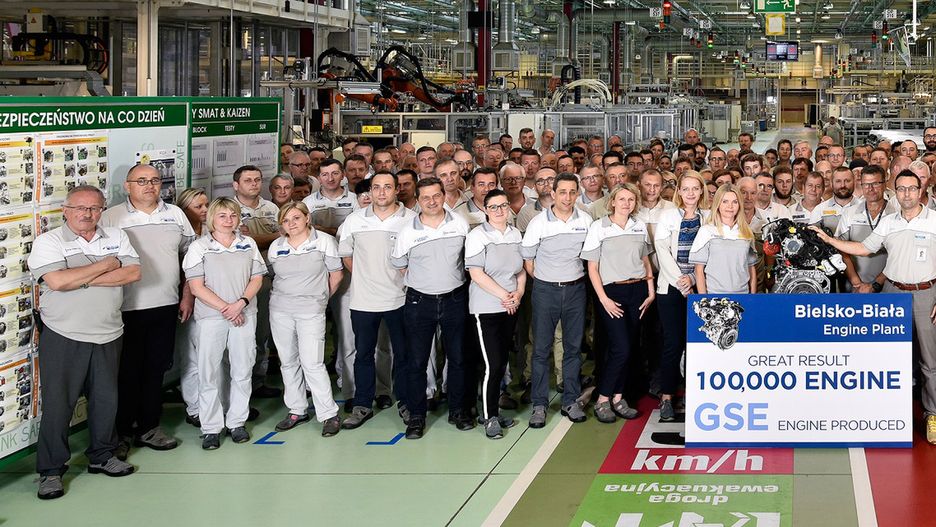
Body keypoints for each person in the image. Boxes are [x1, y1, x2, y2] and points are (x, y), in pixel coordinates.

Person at [28, 185, 141, 499]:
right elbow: (57, 281)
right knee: (58, 405)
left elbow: (132, 273)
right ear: (65, 210)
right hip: (64, 334)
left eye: (94, 208)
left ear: (102, 210)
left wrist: (80, 277)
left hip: (109, 332)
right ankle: (51, 471)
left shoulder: (116, 236)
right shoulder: (49, 242)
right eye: (79, 207)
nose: (86, 214)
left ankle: (102, 455)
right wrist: (105, 265)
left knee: (106, 400)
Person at [811, 170, 936, 444]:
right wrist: (829, 240)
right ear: (895, 191)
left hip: (926, 294)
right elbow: (864, 248)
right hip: (892, 293)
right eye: (901, 189)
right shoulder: (889, 223)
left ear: (920, 190)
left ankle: (932, 414)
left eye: (911, 188)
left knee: (929, 361)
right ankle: (888, 412)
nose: (906, 194)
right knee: (889, 356)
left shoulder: (934, 220)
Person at [100, 164, 195, 460]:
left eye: (154, 180)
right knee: (126, 373)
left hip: (166, 305)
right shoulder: (111, 217)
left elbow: (190, 257)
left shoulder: (175, 214)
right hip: (125, 308)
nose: (149, 185)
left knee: (156, 370)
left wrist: (187, 295)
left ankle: (149, 428)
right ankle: (121, 434)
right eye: (141, 181)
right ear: (127, 186)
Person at [182, 197, 267, 450]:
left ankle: (237, 422)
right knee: (209, 372)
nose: (229, 220)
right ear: (212, 219)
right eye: (222, 215)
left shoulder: (248, 243)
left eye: (233, 215)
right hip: (211, 318)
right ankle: (211, 428)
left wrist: (240, 304)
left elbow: (256, 279)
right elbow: (196, 287)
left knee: (242, 369)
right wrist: (226, 309)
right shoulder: (199, 247)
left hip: (244, 314)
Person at [391, 177, 472, 439]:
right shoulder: (407, 232)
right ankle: (417, 416)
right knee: (417, 361)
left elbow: (467, 259)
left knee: (458, 358)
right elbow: (401, 265)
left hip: (455, 299)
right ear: (418, 199)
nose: (432, 201)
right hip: (419, 302)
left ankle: (458, 411)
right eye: (425, 197)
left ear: (443, 195)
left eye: (436, 195)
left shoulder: (460, 224)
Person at [339, 173, 417, 429]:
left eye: (387, 187)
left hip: (400, 298)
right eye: (376, 188)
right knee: (363, 354)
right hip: (363, 301)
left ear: (396, 190)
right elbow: (347, 255)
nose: (381, 192)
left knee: (403, 354)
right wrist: (366, 277)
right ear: (370, 191)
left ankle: (406, 402)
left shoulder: (411, 219)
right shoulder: (354, 220)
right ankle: (362, 404)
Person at [522, 173, 593, 427]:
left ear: (577, 193)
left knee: (573, 348)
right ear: (553, 194)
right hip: (545, 290)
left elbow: (589, 256)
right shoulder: (538, 223)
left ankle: (570, 400)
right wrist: (548, 280)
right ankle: (539, 404)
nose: (567, 197)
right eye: (562, 192)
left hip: (576, 290)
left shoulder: (585, 220)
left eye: (572, 192)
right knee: (541, 349)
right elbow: (528, 261)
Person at [267, 202, 342, 437]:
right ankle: (297, 410)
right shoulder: (276, 246)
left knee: (313, 363)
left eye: (296, 218)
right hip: (280, 310)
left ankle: (328, 414)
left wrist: (321, 299)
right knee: (288, 362)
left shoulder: (324, 242)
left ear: (307, 218)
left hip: (311, 310)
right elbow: (273, 276)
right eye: (286, 220)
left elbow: (336, 274)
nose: (291, 224)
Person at [582, 183, 653, 424]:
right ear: (612, 201)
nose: (626, 203)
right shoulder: (599, 227)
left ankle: (619, 398)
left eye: (630, 199)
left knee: (630, 347)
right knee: (620, 347)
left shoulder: (639, 225)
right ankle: (603, 398)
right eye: (621, 199)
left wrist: (650, 290)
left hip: (638, 290)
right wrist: (603, 299)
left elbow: (645, 260)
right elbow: (592, 267)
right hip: (612, 292)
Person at [465, 189, 526, 439]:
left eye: (503, 205)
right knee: (493, 364)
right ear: (485, 210)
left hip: (510, 307)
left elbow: (521, 270)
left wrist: (518, 294)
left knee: (502, 362)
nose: (499, 211)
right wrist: (505, 296)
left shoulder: (515, 234)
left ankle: (494, 412)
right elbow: (476, 274)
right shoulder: (477, 236)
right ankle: (489, 417)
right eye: (493, 207)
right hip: (487, 308)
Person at [654, 171, 709, 421]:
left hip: (699, 286)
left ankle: (693, 393)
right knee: (672, 343)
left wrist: (694, 280)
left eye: (695, 188)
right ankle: (667, 397)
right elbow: (662, 251)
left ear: (701, 190)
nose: (690, 193)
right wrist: (683, 282)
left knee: (696, 344)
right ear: (679, 191)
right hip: (671, 288)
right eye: (685, 188)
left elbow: (710, 253)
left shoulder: (708, 217)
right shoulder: (667, 216)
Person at [232, 166, 281, 400]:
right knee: (241, 334)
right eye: (248, 180)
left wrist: (254, 237)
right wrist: (269, 238)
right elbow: (240, 241)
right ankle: (238, 387)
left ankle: (258, 380)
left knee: (262, 332)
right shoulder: (228, 210)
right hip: (239, 281)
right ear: (236, 185)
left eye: (257, 179)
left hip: (268, 277)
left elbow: (283, 238)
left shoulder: (271, 209)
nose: (254, 184)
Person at [175, 188, 210, 427]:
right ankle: (195, 407)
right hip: (188, 302)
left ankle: (216, 404)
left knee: (214, 356)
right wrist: (186, 298)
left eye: (206, 205)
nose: (205, 210)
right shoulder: (178, 234)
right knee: (191, 357)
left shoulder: (212, 230)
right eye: (199, 207)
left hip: (214, 301)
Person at [835, 165, 896, 293]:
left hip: (889, 286)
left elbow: (898, 255)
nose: (870, 189)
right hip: (854, 288)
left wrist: (876, 284)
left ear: (884, 184)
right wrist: (856, 282)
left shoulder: (897, 214)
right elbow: (841, 250)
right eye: (866, 184)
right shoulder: (850, 213)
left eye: (875, 183)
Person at [690, 184, 758, 294]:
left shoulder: (746, 232)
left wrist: (752, 297)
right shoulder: (706, 231)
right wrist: (704, 299)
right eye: (725, 201)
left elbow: (751, 269)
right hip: (714, 295)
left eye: (735, 202)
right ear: (718, 204)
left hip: (743, 294)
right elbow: (699, 271)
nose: (730, 206)